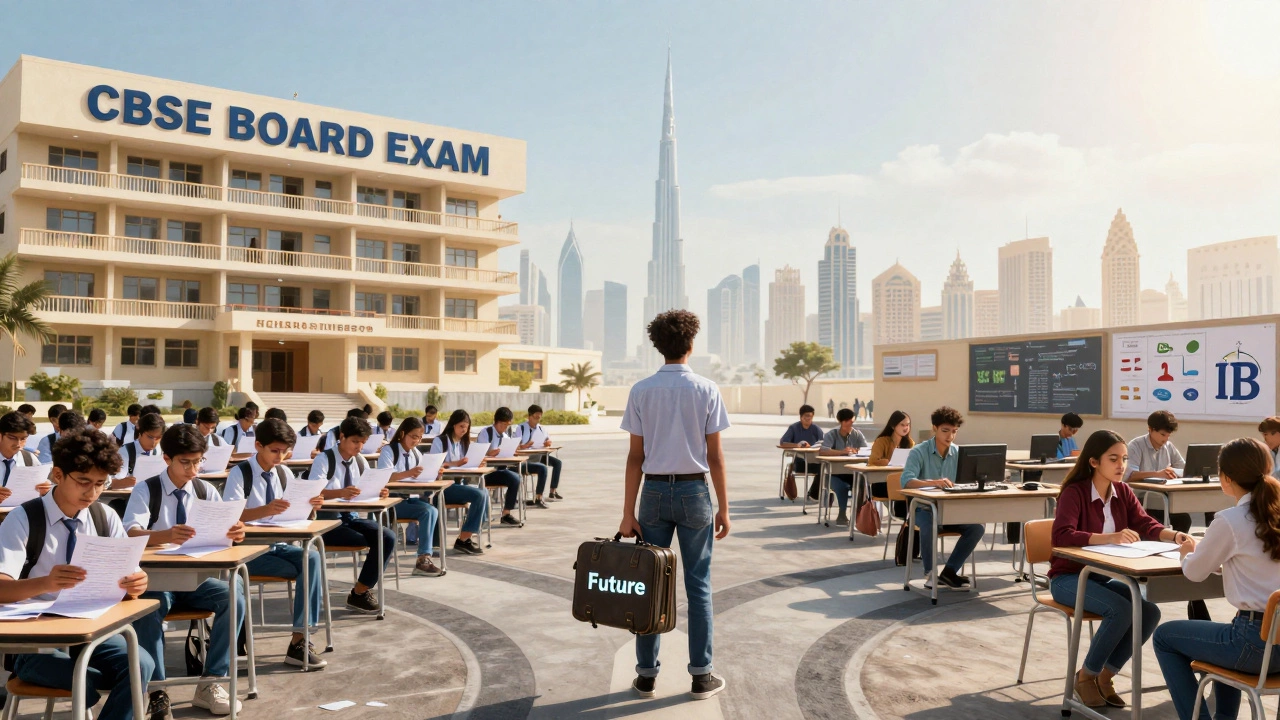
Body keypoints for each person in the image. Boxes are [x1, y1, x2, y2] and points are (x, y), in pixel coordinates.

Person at [0, 427, 154, 719]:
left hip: (88, 628)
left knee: (139, 666)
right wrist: (46, 582)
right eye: (83, 481)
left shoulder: (104, 516)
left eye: (100, 483)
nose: (92, 492)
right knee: (86, 679)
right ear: (57, 475)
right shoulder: (24, 517)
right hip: (34, 640)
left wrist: (137, 583)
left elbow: (130, 580)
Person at [619, 309, 729, 701]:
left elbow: (635, 456)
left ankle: (646, 675)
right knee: (698, 585)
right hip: (694, 492)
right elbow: (715, 457)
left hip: (651, 494)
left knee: (648, 582)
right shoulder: (707, 389)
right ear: (691, 344)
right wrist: (724, 508)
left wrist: (627, 512)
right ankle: (701, 676)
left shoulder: (641, 390)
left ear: (657, 346)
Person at [1051, 429, 1189, 709]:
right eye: (1113, 459)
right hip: (1068, 578)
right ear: (1093, 462)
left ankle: (1105, 675)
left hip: (1104, 575)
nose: (1121, 465)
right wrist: (1108, 537)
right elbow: (1062, 536)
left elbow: (1145, 524)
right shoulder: (1074, 493)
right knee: (1122, 609)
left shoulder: (1123, 491)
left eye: (1124, 458)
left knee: (1149, 611)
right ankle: (1084, 677)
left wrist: (1175, 536)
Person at [124, 424, 246, 717]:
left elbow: (222, 534)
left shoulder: (205, 489)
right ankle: (157, 689)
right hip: (157, 579)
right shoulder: (147, 488)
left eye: (198, 461)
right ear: (166, 458)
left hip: (196, 579)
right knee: (150, 607)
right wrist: (165, 535)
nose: (193, 469)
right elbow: (129, 532)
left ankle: (211, 681)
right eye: (186, 462)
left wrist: (234, 533)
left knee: (234, 596)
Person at [1155, 437, 1280, 720]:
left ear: (1225, 477)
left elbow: (1195, 573)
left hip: (1253, 645)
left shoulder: (1230, 520)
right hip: (1275, 643)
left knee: (1164, 637)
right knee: (1221, 646)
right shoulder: (1274, 512)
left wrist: (1187, 553)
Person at [222, 418, 327, 668]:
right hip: (246, 551)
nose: (280, 456)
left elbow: (292, 512)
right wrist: (265, 510)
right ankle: (297, 641)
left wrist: (310, 508)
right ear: (258, 445)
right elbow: (229, 517)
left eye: (285, 451)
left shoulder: (284, 472)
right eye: (275, 451)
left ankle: (299, 639)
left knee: (311, 557)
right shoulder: (240, 473)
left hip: (276, 545)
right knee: (305, 564)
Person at [309, 417, 396, 614]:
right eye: (355, 441)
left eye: (363, 442)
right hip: (326, 522)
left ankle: (359, 592)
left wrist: (379, 491)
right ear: (342, 437)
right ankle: (359, 593)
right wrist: (340, 493)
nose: (359, 446)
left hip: (351, 517)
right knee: (364, 538)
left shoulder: (360, 461)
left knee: (387, 537)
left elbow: (366, 488)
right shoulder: (324, 459)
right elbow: (313, 493)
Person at [900, 406, 985, 590]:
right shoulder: (918, 452)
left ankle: (949, 572)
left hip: (952, 511)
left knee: (977, 528)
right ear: (934, 429)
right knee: (930, 524)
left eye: (954, 432)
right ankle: (930, 573)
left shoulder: (959, 453)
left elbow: (965, 482)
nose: (950, 436)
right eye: (945, 431)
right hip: (924, 509)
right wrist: (934, 482)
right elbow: (906, 481)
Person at [377, 417, 443, 576]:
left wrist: (435, 474)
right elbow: (384, 476)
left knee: (432, 510)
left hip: (410, 498)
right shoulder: (389, 451)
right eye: (414, 436)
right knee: (427, 511)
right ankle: (422, 560)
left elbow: (421, 476)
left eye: (419, 437)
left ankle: (424, 556)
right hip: (392, 501)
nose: (417, 441)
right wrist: (409, 473)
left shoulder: (416, 453)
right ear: (402, 433)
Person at [427, 410, 491, 555]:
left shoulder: (464, 443)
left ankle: (468, 535)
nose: (464, 430)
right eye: (461, 426)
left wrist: (476, 463)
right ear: (453, 425)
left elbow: (466, 465)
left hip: (458, 484)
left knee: (483, 493)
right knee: (479, 495)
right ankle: (463, 539)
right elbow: (435, 465)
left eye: (466, 427)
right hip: (443, 487)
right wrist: (456, 463)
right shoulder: (440, 441)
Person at [1125, 410, 1191, 531]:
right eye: (1162, 434)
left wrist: (1174, 471)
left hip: (1165, 499)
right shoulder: (1135, 446)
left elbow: (1185, 469)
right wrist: (1158, 474)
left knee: (1184, 519)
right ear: (1150, 429)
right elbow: (1129, 475)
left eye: (1168, 435)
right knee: (1160, 522)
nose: (1165, 439)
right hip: (1142, 501)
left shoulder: (1168, 446)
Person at [473, 408, 526, 526]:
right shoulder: (486, 433)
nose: (505, 427)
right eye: (503, 424)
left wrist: (513, 451)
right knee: (514, 478)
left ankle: (506, 513)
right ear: (497, 422)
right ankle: (505, 514)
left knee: (517, 477)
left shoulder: (505, 436)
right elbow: (478, 454)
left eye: (507, 425)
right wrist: (489, 453)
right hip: (486, 473)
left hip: (500, 470)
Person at [818, 408, 867, 526]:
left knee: (864, 486)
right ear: (841, 422)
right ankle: (842, 513)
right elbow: (823, 451)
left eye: (851, 421)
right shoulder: (832, 434)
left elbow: (866, 449)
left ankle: (860, 515)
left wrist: (857, 450)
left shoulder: (857, 433)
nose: (850, 424)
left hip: (853, 473)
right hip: (834, 474)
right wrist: (842, 452)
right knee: (842, 487)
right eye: (847, 421)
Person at [869, 410, 913, 519]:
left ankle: (910, 521)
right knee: (906, 491)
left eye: (907, 425)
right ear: (893, 426)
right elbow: (872, 462)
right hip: (881, 483)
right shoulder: (881, 441)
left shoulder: (910, 443)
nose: (905, 428)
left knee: (914, 492)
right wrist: (886, 462)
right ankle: (905, 518)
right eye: (902, 425)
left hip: (902, 481)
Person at [517, 405, 563, 505]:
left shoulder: (541, 429)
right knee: (542, 468)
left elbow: (547, 439)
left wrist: (548, 443)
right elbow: (515, 446)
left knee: (557, 463)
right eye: (536, 417)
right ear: (529, 416)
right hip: (526, 458)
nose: (538, 419)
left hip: (539, 455)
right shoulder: (521, 428)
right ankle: (539, 496)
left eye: (539, 417)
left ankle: (552, 491)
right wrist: (525, 446)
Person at [0, 412, 49, 504]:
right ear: (0, 435)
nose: (18, 444)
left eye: (23, 439)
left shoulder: (29, 459)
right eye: (12, 438)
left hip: (20, 515)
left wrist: (45, 490)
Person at [780, 404, 824, 500]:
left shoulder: (816, 429)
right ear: (801, 417)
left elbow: (823, 444)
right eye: (806, 416)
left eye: (810, 417)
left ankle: (813, 493)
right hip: (800, 462)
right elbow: (783, 443)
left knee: (825, 468)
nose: (808, 419)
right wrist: (797, 445)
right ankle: (813, 494)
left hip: (815, 461)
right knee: (819, 468)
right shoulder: (794, 428)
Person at [114, 412, 165, 490]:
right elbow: (115, 481)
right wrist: (125, 482)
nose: (153, 442)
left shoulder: (161, 452)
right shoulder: (125, 452)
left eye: (158, 438)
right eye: (150, 437)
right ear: (140, 432)